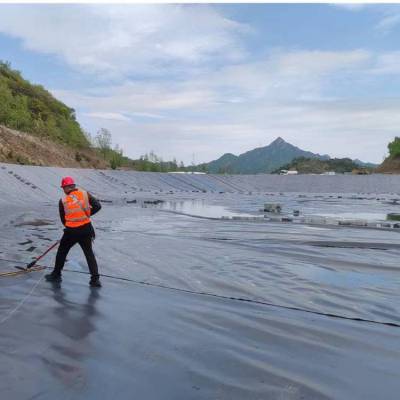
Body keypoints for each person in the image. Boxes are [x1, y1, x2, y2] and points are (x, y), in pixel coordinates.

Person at [45, 176, 102, 287]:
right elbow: (97, 206)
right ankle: (95, 279)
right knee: (89, 253)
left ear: (67, 187)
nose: (63, 190)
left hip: (71, 231)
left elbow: (63, 219)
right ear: (74, 186)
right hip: (86, 229)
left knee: (62, 251)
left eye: (63, 188)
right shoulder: (85, 194)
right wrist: (86, 215)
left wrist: (70, 225)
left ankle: (56, 274)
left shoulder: (63, 201)